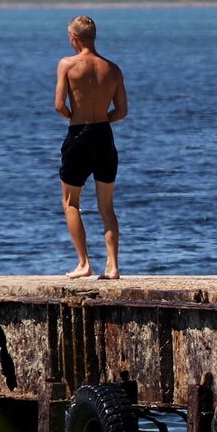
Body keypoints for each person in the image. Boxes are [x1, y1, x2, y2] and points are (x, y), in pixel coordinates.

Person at [54, 15, 128, 279]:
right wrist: (101, 120)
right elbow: (121, 111)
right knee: (106, 206)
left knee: (70, 202)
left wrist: (74, 117)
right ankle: (113, 265)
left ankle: (84, 263)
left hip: (78, 135)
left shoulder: (67, 64)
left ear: (74, 38)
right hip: (104, 136)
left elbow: (59, 105)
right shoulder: (113, 69)